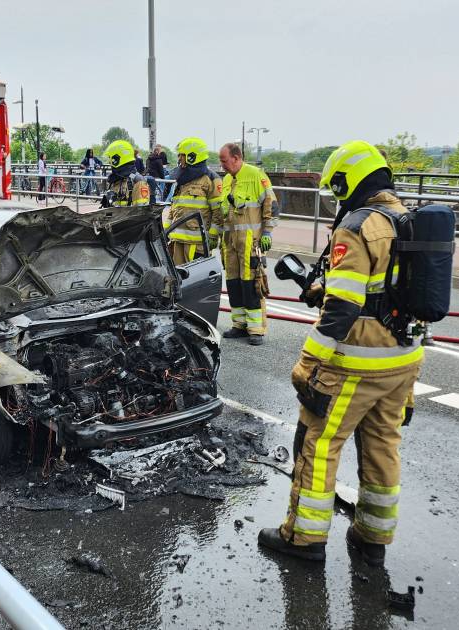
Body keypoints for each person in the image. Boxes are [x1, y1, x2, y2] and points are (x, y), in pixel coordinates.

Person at [258, 140, 423, 567]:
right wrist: (325, 287)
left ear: (347, 181)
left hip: (355, 363)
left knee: (319, 443)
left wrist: (308, 364)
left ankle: (303, 538)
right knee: (383, 446)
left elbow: (344, 308)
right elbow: (382, 289)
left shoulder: (357, 226)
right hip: (403, 362)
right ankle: (372, 538)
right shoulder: (407, 220)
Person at [210, 142, 277, 344]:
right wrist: (215, 236)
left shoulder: (256, 175)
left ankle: (256, 329)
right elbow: (222, 212)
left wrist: (267, 232)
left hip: (250, 242)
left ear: (236, 158)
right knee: (234, 283)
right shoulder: (227, 179)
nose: (222, 165)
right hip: (230, 242)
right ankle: (239, 324)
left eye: (224, 161)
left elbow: (271, 205)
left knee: (251, 284)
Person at [165, 137, 222, 264]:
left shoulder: (211, 179)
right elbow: (174, 207)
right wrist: (165, 230)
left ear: (192, 156)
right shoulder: (181, 178)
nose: (179, 159)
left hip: (197, 244)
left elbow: (218, 211)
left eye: (182, 155)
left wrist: (213, 236)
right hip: (177, 241)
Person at [101, 140, 151, 207]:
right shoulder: (115, 179)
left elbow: (141, 211)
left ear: (118, 159)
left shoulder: (138, 181)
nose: (110, 162)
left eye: (111, 159)